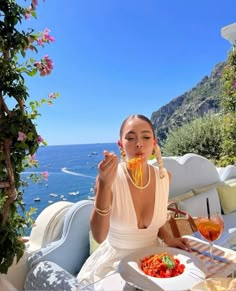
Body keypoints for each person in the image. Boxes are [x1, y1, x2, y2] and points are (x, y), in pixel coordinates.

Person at [77, 114, 190, 286]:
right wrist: (105, 185)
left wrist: (169, 239)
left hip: (155, 260)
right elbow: (99, 236)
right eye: (130, 138)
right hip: (117, 266)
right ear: (120, 144)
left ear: (154, 142)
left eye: (146, 137)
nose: (139, 143)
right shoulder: (110, 180)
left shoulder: (164, 177)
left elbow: (156, 222)